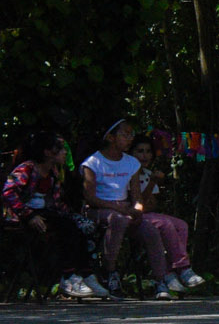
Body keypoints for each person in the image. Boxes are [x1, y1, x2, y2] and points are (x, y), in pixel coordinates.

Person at [81, 119, 203, 295]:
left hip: (125, 208)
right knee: (118, 220)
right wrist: (119, 208)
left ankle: (161, 281)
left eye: (131, 134)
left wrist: (137, 210)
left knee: (150, 230)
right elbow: (90, 197)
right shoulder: (93, 162)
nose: (130, 138)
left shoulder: (131, 163)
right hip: (99, 209)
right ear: (111, 137)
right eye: (125, 134)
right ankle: (109, 272)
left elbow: (137, 197)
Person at [6, 134, 107, 298]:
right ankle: (68, 277)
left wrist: (75, 216)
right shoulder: (27, 169)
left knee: (83, 227)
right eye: (60, 150)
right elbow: (8, 192)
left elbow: (57, 202)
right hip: (25, 216)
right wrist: (28, 215)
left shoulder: (53, 173)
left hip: (48, 214)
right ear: (47, 152)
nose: (64, 153)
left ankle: (87, 275)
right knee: (65, 230)